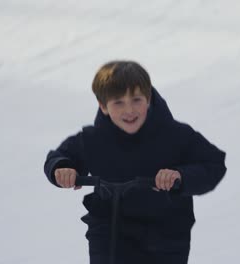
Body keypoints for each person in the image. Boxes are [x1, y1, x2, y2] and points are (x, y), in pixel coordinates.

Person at [44, 60, 227, 264]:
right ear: (103, 106)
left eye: (136, 100)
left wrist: (180, 177)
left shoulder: (175, 135)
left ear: (148, 99)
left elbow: (213, 164)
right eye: (118, 102)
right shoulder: (93, 140)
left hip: (165, 238)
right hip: (110, 235)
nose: (129, 110)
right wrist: (62, 169)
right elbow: (60, 157)